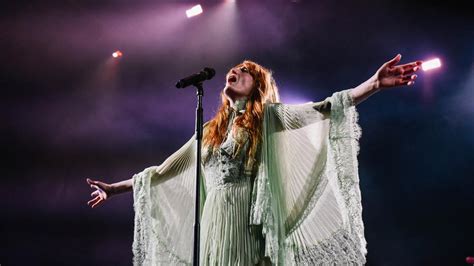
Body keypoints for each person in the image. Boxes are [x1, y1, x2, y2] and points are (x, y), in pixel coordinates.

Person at [86, 54, 422, 265]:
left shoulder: (268, 118)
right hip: (214, 221)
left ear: (257, 85)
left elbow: (325, 108)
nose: (234, 71)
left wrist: (374, 84)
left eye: (245, 71)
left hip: (247, 219)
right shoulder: (209, 128)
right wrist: (113, 188)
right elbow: (163, 171)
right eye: (234, 69)